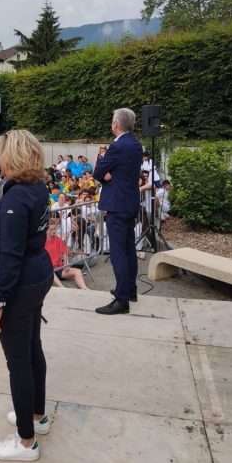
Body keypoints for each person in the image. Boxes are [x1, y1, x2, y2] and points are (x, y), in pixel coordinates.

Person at [0, 129, 55, 462]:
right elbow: (17, 225)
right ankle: (37, 417)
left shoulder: (16, 198)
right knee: (33, 347)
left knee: (18, 363)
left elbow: (8, 255)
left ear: (13, 157)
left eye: (1, 155)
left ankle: (26, 442)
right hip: (39, 273)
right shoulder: (35, 188)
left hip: (20, 283)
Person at [94, 108, 143, 315]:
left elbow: (97, 172)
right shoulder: (136, 144)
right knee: (128, 248)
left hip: (116, 205)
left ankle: (121, 300)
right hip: (130, 202)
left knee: (118, 253)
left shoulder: (117, 146)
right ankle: (130, 289)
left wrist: (105, 174)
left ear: (116, 124)